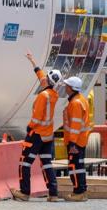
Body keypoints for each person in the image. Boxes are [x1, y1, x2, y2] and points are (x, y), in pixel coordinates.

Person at [11, 53, 63, 202]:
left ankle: (24, 192)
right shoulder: (53, 94)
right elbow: (41, 76)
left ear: (48, 80)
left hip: (37, 134)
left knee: (25, 162)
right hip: (48, 136)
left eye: (46, 77)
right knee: (46, 163)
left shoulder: (43, 96)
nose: (43, 78)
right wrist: (33, 62)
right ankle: (53, 193)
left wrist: (29, 128)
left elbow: (37, 117)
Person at [62, 76, 91, 202]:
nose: (65, 87)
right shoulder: (81, 100)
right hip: (80, 140)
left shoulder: (75, 103)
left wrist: (72, 143)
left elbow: (75, 125)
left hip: (75, 141)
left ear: (72, 88)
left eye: (67, 85)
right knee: (79, 166)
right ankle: (81, 191)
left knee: (74, 166)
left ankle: (78, 192)